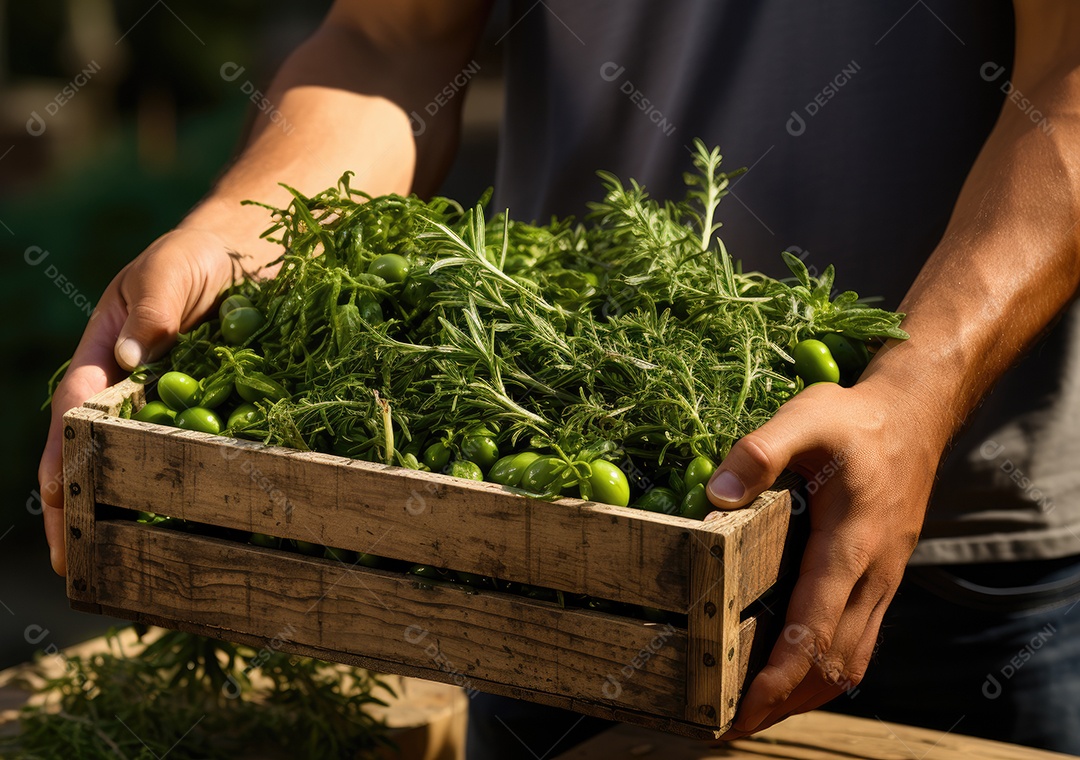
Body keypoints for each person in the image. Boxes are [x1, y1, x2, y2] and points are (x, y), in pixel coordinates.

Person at [40, 0, 1080, 756]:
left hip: (969, 568)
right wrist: (238, 230)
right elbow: (391, 40)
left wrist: (922, 385)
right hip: (567, 562)